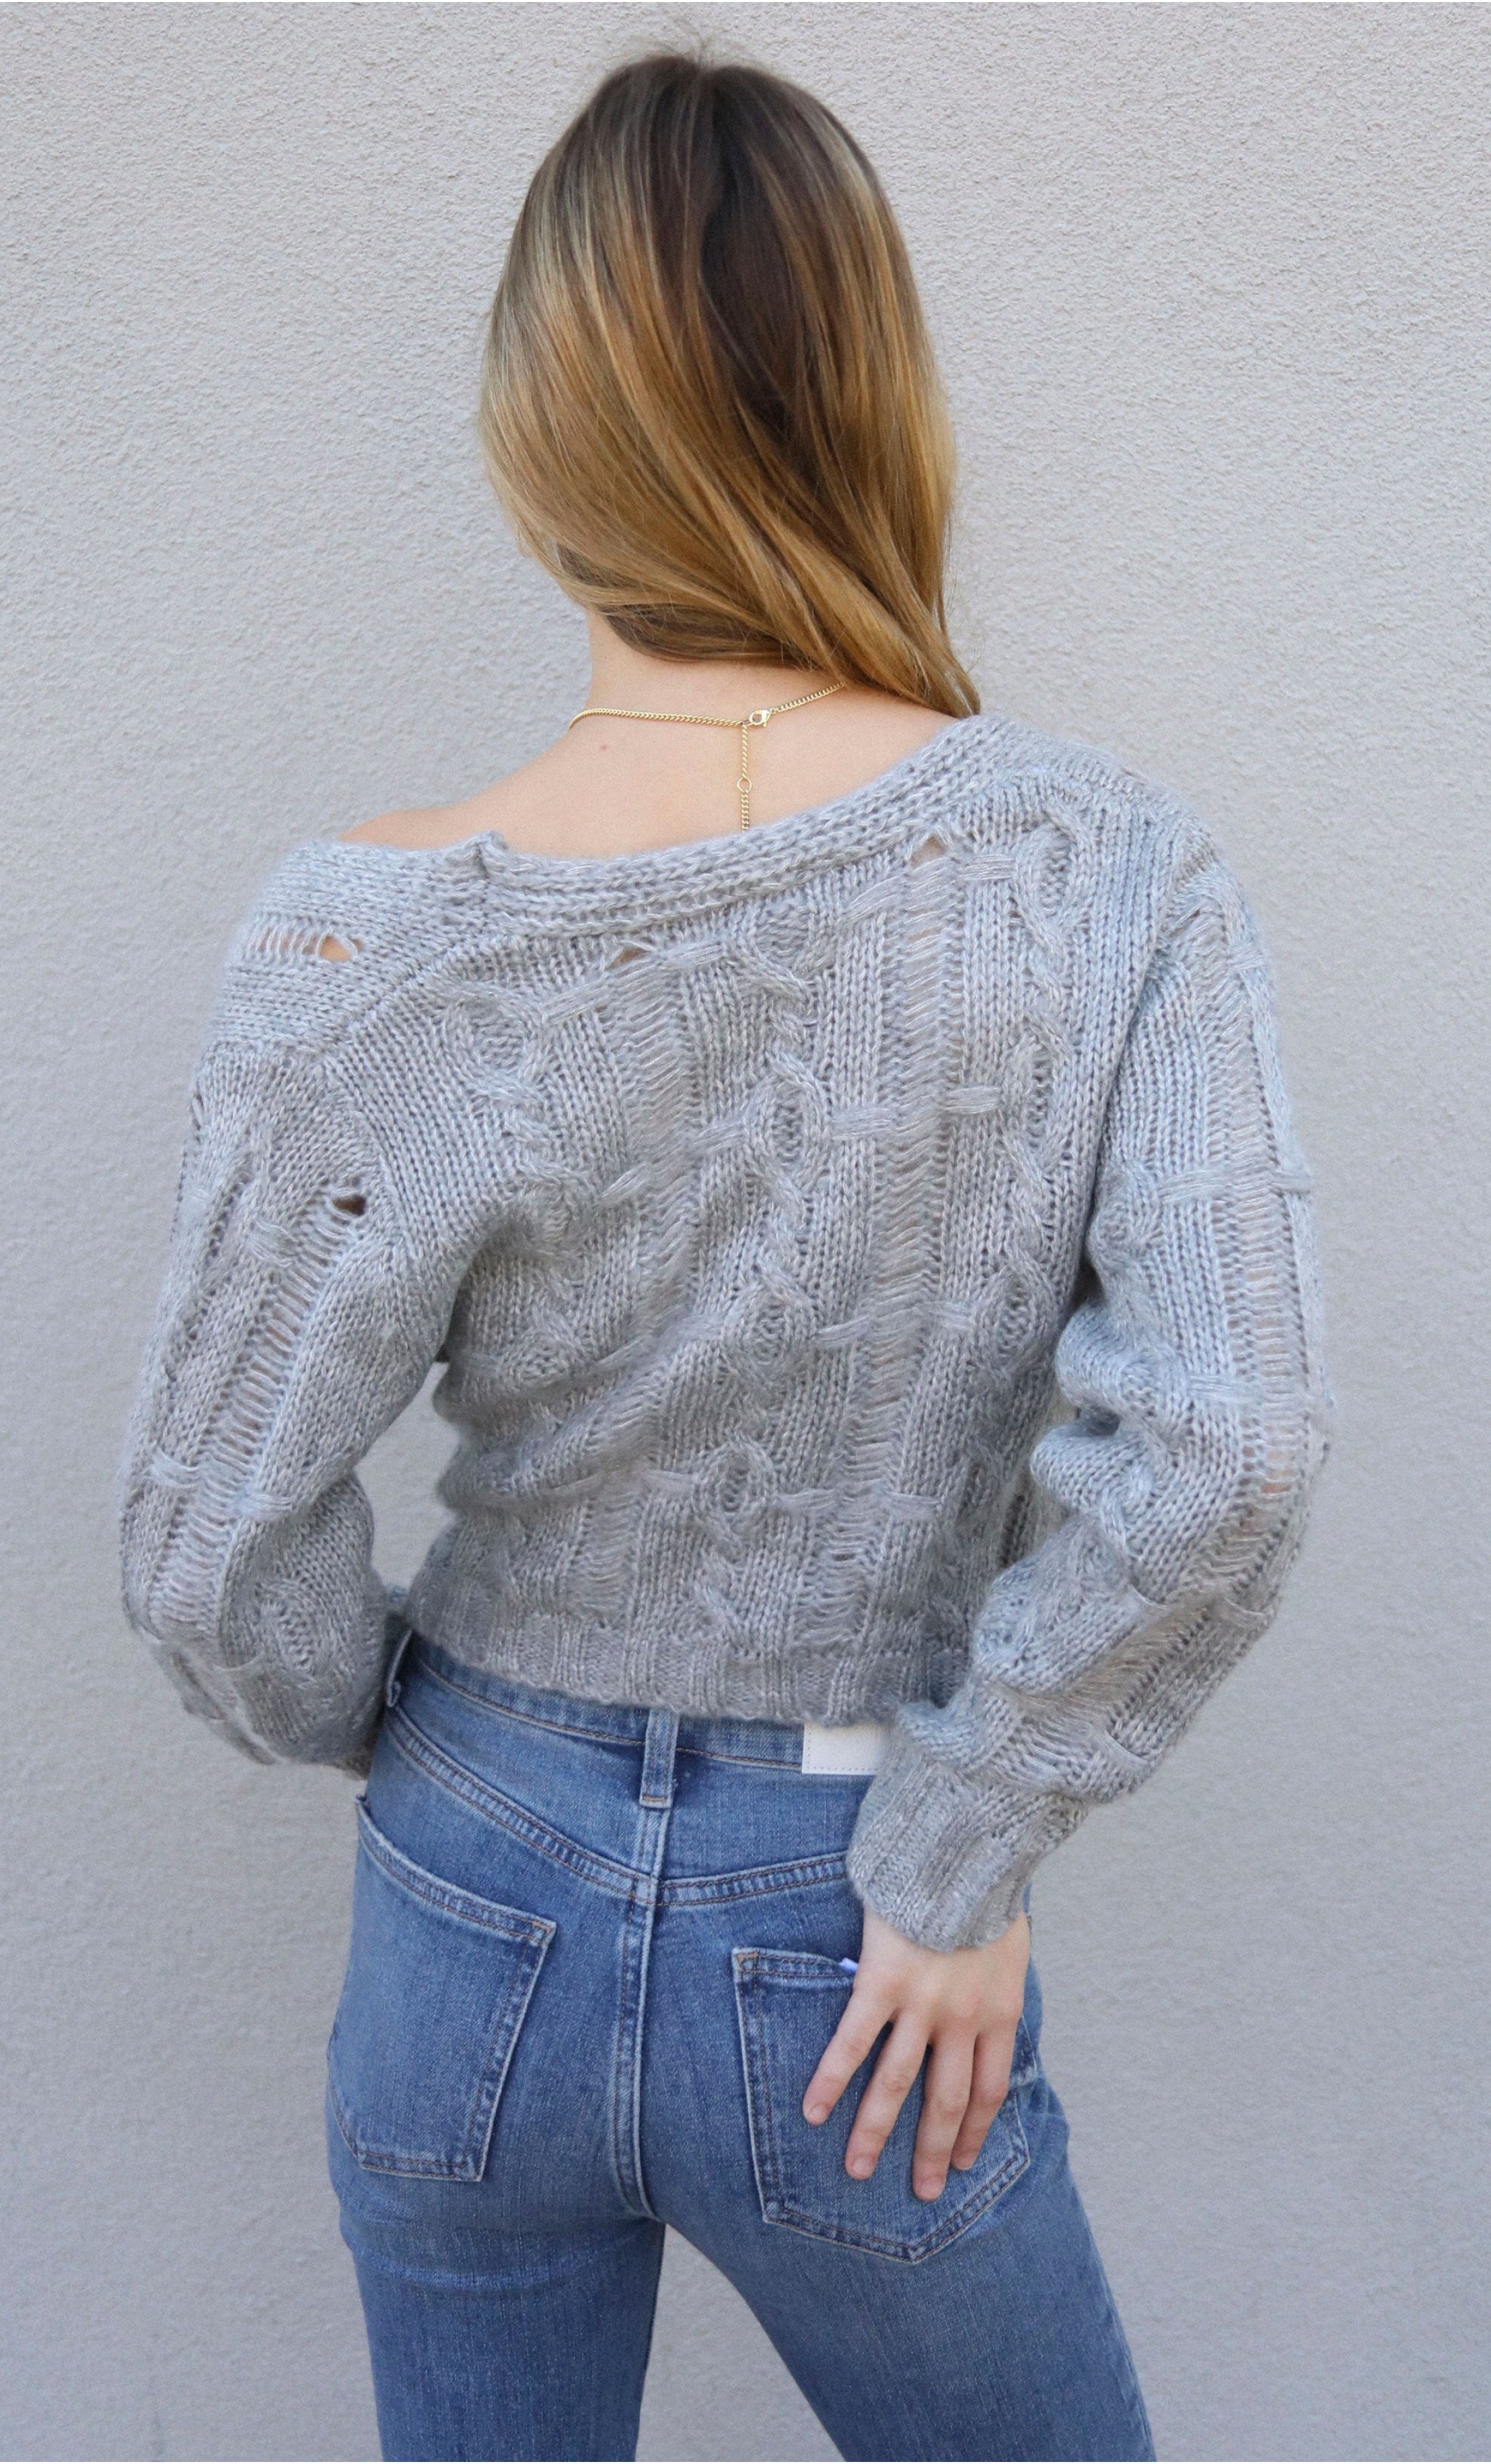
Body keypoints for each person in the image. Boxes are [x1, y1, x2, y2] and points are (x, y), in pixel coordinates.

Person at [115, 48, 1334, 2464]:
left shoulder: (371, 941)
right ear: (880, 394)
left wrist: (414, 1739)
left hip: (470, 1880)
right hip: (859, 1906)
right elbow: (1237, 1441)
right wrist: (966, 1840)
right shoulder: (1103, 875)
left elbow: (201, 1547)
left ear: (540, 423)